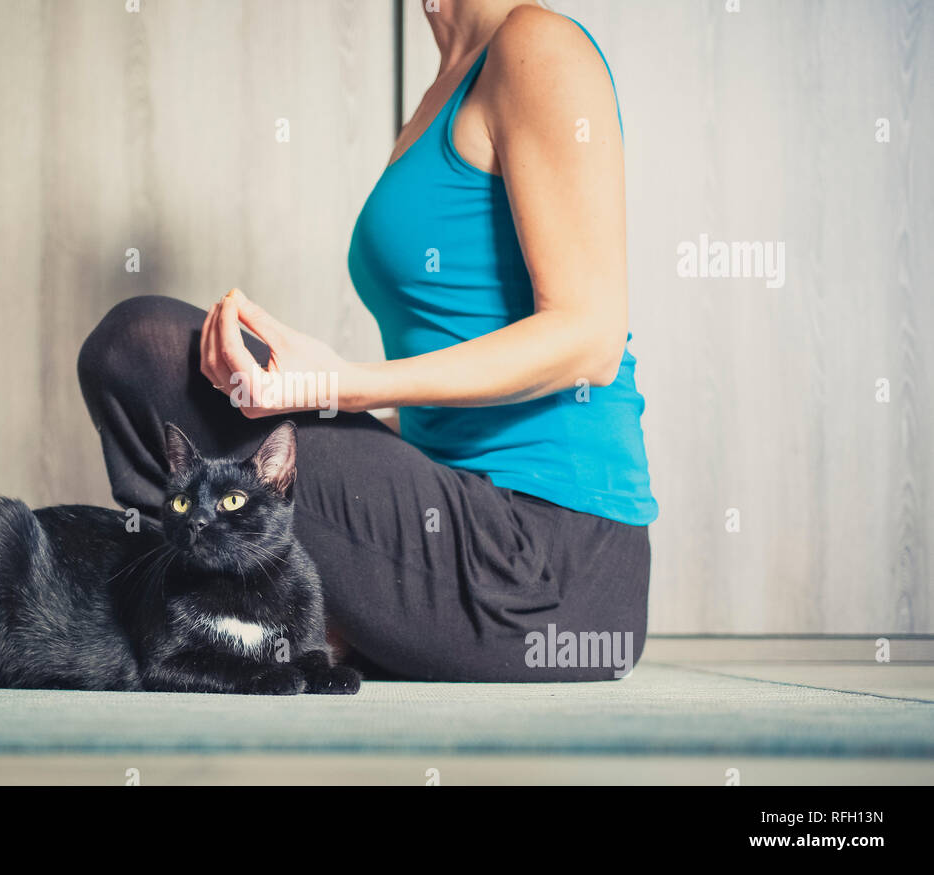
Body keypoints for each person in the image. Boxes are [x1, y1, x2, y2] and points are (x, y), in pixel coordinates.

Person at [78, 1, 655, 681]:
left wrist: (334, 384)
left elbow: (589, 338)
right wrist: (316, 412)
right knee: (151, 362)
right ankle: (272, 621)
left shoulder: (537, 44)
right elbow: (451, 400)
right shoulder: (442, 89)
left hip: (555, 566)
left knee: (140, 346)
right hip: (460, 513)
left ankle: (247, 621)